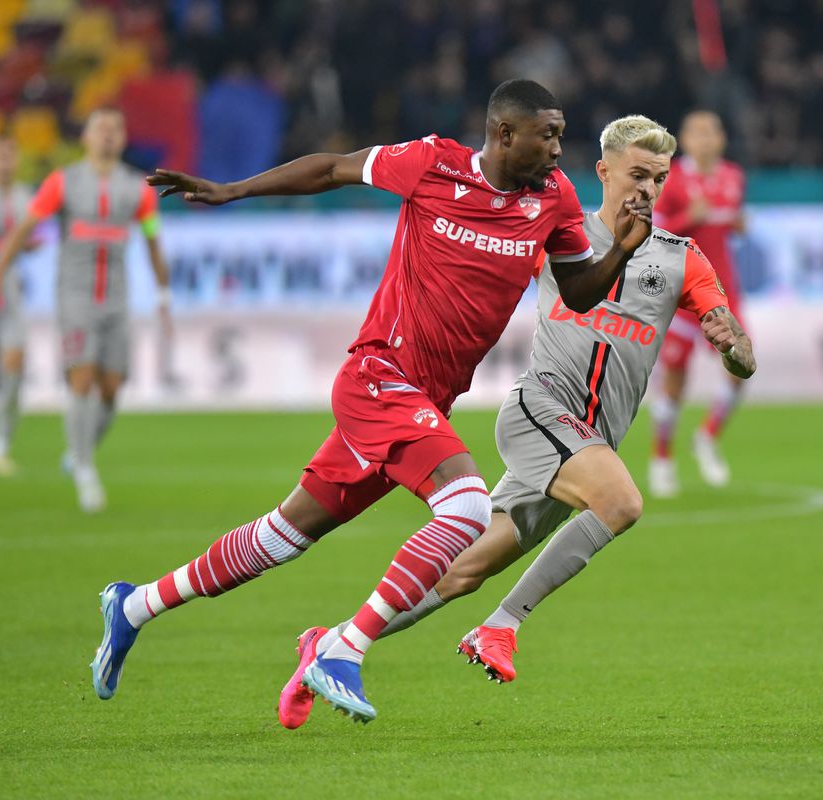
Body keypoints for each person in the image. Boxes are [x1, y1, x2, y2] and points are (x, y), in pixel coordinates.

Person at [89, 80, 653, 725]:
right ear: (503, 134)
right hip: (380, 375)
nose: (558, 149)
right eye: (546, 134)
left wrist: (619, 252)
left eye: (559, 133)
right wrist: (234, 190)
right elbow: (332, 168)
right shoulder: (433, 164)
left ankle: (133, 606)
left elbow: (578, 292)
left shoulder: (553, 199)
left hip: (425, 401)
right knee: (467, 505)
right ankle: (342, 650)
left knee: (284, 535)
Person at [276, 114, 755, 728]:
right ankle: (501, 627)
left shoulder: (681, 259)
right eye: (637, 174)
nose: (647, 189)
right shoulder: (558, 232)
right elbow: (477, 261)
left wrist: (733, 344)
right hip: (541, 412)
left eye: (659, 178)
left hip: (589, 445)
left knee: (461, 573)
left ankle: (335, 641)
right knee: (623, 504)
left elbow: (739, 351)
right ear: (603, 172)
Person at [0, 109, 172, 509]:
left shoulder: (135, 188)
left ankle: (77, 453)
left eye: (115, 128)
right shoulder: (62, 182)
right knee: (81, 378)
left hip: (117, 299)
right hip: (75, 298)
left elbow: (153, 237)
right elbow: (24, 229)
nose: (107, 135)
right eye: (100, 128)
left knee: (111, 387)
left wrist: (163, 293)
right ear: (85, 137)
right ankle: (86, 470)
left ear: (123, 138)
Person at [647, 109, 746, 496]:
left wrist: (736, 223)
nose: (705, 139)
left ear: (721, 139)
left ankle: (706, 436)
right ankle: (662, 458)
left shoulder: (733, 177)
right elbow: (652, 230)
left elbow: (725, 225)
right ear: (684, 140)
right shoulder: (670, 178)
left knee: (740, 368)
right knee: (676, 380)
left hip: (724, 292)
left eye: (712, 132)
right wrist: (689, 215)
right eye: (697, 133)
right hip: (682, 292)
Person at [0, 134, 34, 476]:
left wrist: (25, 246)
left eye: (10, 155)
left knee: (15, 359)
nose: (5, 162)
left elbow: (26, 238)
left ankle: (1, 444)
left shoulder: (23, 195)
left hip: (10, 287)